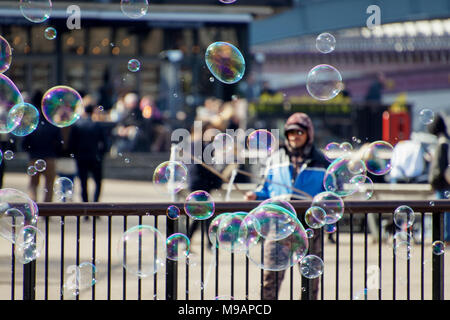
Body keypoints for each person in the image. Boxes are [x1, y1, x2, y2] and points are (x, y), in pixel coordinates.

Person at [244, 112, 328, 300]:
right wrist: (255, 195)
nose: (294, 136)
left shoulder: (320, 160)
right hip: (278, 223)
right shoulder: (276, 158)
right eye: (290, 132)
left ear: (308, 134)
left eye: (299, 132)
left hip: (310, 224)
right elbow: (266, 188)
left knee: (310, 278)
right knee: (270, 278)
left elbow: (330, 193)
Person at [22, 91, 63, 202]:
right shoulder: (52, 123)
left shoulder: (32, 123)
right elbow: (59, 143)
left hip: (34, 157)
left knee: (33, 185)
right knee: (49, 186)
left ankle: (34, 208)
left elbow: (24, 144)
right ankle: (46, 213)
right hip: (50, 157)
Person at [68, 104, 108, 208]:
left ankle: (85, 207)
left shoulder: (77, 125)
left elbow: (71, 144)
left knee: (83, 183)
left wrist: (76, 154)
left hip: (81, 158)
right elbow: (105, 143)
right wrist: (101, 155)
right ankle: (95, 204)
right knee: (98, 182)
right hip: (95, 157)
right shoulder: (97, 125)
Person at [427, 113, 450, 244]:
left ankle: (445, 237)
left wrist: (433, 178)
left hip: (442, 183)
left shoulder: (443, 143)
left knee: (444, 211)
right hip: (443, 183)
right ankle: (444, 236)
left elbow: (441, 166)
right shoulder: (444, 141)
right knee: (444, 211)